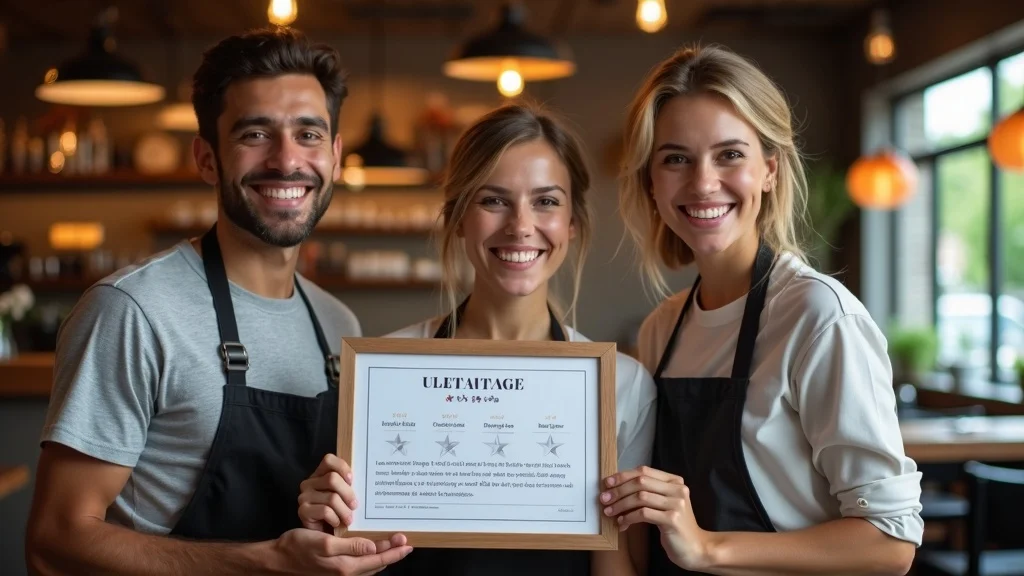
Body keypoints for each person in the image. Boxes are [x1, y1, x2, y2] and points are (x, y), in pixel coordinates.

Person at [25, 27, 410, 576]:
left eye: (309, 134)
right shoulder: (133, 310)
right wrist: (267, 562)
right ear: (207, 159)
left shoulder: (335, 323)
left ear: (337, 158)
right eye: (255, 134)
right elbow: (54, 541)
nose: (286, 160)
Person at [598, 44, 924, 575]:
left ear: (769, 171)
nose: (703, 182)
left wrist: (707, 549)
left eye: (730, 154)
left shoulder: (817, 315)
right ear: (651, 184)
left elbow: (890, 544)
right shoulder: (663, 329)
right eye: (676, 158)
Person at [296, 103, 658, 576]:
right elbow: (351, 556)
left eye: (546, 201)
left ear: (572, 223)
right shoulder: (381, 375)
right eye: (493, 200)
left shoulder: (621, 386)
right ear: (458, 217)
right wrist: (324, 518)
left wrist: (602, 518)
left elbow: (620, 566)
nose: (520, 225)